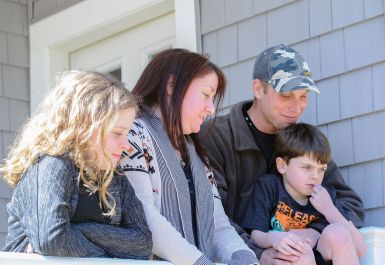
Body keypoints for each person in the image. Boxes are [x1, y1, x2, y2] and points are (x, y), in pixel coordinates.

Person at [199, 44, 365, 265]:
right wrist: (259, 254)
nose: (297, 108)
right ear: (258, 89)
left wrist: (314, 231)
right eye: (286, 95)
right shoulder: (216, 137)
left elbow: (348, 203)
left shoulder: (300, 142)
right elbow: (209, 215)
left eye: (303, 96)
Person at [120, 48, 258, 265]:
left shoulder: (196, 154)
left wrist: (245, 259)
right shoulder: (132, 135)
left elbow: (218, 225)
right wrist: (199, 262)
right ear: (171, 85)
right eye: (206, 94)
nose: (211, 108)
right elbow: (144, 217)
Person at [1, 71, 152, 259]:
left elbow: (143, 243)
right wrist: (112, 253)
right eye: (117, 133)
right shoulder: (49, 164)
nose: (127, 145)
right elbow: (53, 240)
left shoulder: (114, 176)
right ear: (83, 126)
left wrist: (79, 231)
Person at [242, 123, 366, 265]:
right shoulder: (269, 187)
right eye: (307, 167)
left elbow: (360, 248)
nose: (315, 176)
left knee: (338, 233)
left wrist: (330, 210)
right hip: (287, 258)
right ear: (282, 166)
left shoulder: (324, 196)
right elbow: (256, 235)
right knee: (299, 252)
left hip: (320, 255)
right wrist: (274, 238)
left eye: (321, 169)